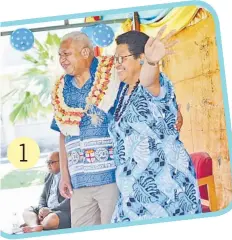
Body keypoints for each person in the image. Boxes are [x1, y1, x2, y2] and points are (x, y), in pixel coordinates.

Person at [50, 31, 183, 227]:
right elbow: (63, 133)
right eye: (60, 55)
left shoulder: (113, 74)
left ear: (85, 52)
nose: (62, 60)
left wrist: (152, 64)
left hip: (114, 177)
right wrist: (65, 175)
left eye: (66, 54)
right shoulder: (60, 88)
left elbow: (148, 84)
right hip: (79, 182)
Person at [109, 27, 202, 222]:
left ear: (140, 58)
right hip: (133, 193)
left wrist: (152, 62)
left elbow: (149, 78)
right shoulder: (123, 92)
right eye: (115, 59)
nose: (116, 64)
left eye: (122, 58)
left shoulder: (154, 84)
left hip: (165, 189)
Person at [21, 152, 71, 233]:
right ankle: (35, 226)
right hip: (47, 210)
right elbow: (43, 197)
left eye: (51, 162)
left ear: (62, 161)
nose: (48, 165)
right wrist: (41, 209)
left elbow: (70, 200)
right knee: (27, 211)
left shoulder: (68, 176)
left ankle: (37, 223)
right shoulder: (49, 176)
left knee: (52, 219)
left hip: (61, 211)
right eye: (47, 162)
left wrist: (50, 211)